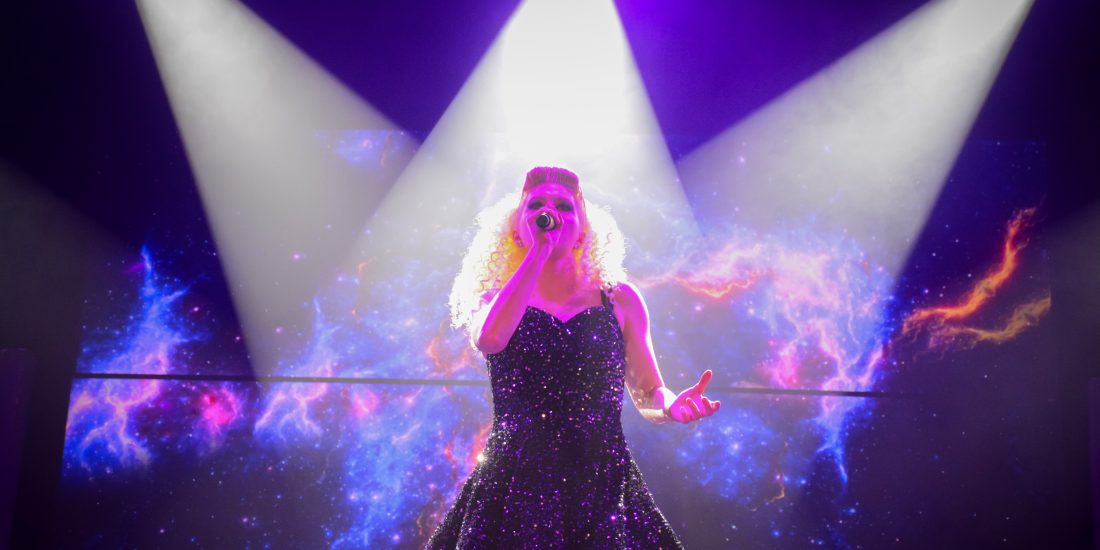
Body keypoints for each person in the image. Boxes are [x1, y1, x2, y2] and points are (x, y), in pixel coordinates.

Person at [427, 167, 720, 549]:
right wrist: (540, 251)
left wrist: (671, 408)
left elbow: (649, 392)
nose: (550, 212)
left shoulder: (620, 299)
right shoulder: (495, 299)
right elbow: (492, 339)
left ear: (583, 226)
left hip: (600, 478)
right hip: (517, 480)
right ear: (517, 226)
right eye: (536, 205)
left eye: (564, 205)